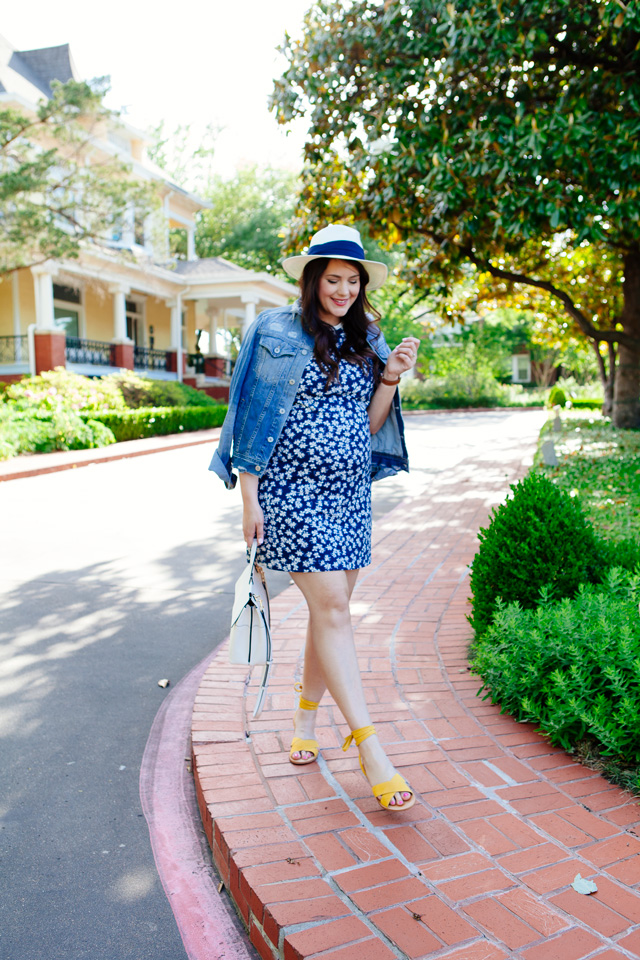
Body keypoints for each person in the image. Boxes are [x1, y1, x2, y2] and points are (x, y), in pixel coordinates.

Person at [210, 224, 420, 810]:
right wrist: (247, 498)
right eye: (334, 279)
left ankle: (304, 721)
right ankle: (369, 745)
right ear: (312, 278)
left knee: (332, 614)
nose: (344, 290)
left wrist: (393, 372)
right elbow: (248, 412)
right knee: (330, 607)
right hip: (291, 492)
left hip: (350, 495)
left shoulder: (367, 337)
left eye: (354, 281)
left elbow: (371, 422)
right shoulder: (275, 329)